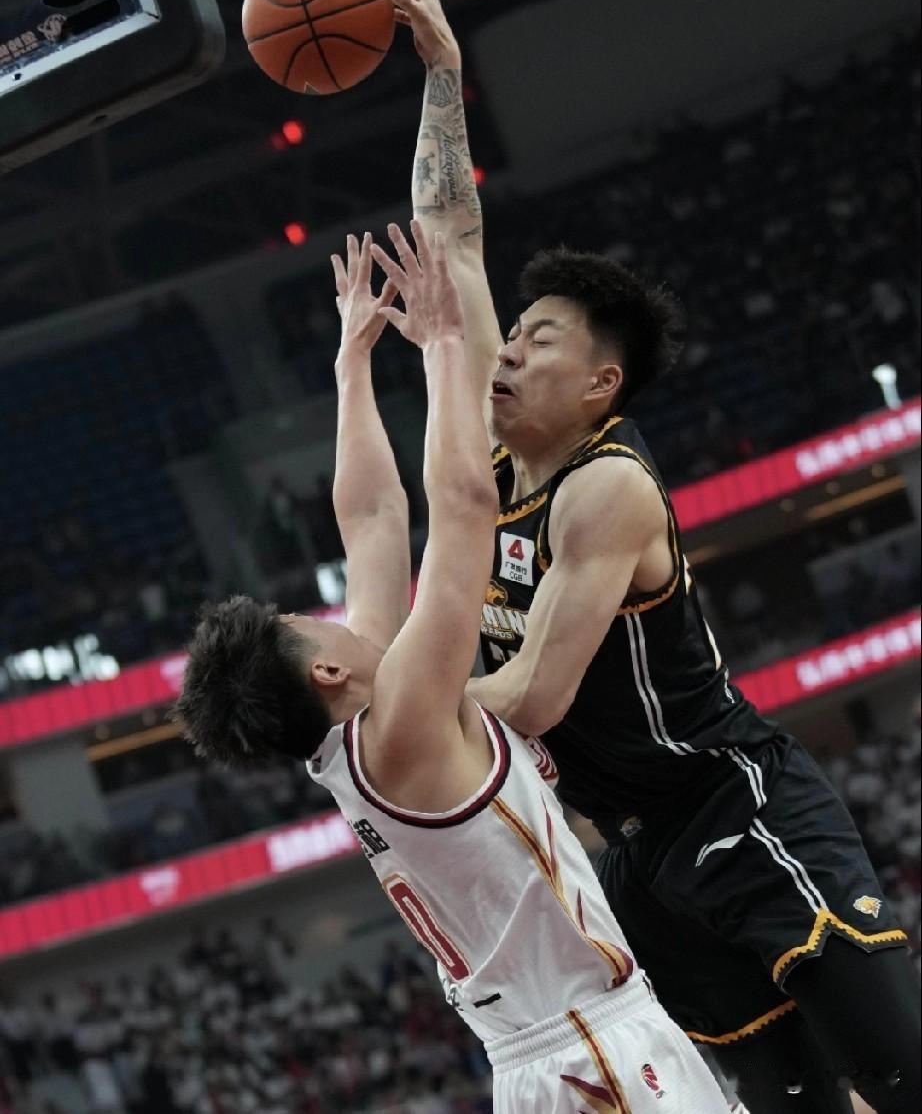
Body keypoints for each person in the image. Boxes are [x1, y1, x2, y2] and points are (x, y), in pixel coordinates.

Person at [371, 0, 922, 1112]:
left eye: (540, 340)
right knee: (784, 1102)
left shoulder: (604, 488)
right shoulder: (491, 464)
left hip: (732, 800)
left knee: (892, 1067)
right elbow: (451, 239)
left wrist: (409, 699)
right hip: (637, 852)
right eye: (513, 332)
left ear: (600, 386)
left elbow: (531, 698)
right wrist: (441, 72)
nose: (509, 348)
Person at [173, 226, 726, 1110]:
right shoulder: (402, 722)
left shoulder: (365, 733)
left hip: (555, 1049)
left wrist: (352, 363)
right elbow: (466, 505)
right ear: (324, 672)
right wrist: (440, 350)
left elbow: (373, 519)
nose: (336, 616)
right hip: (590, 1046)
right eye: (310, 623)